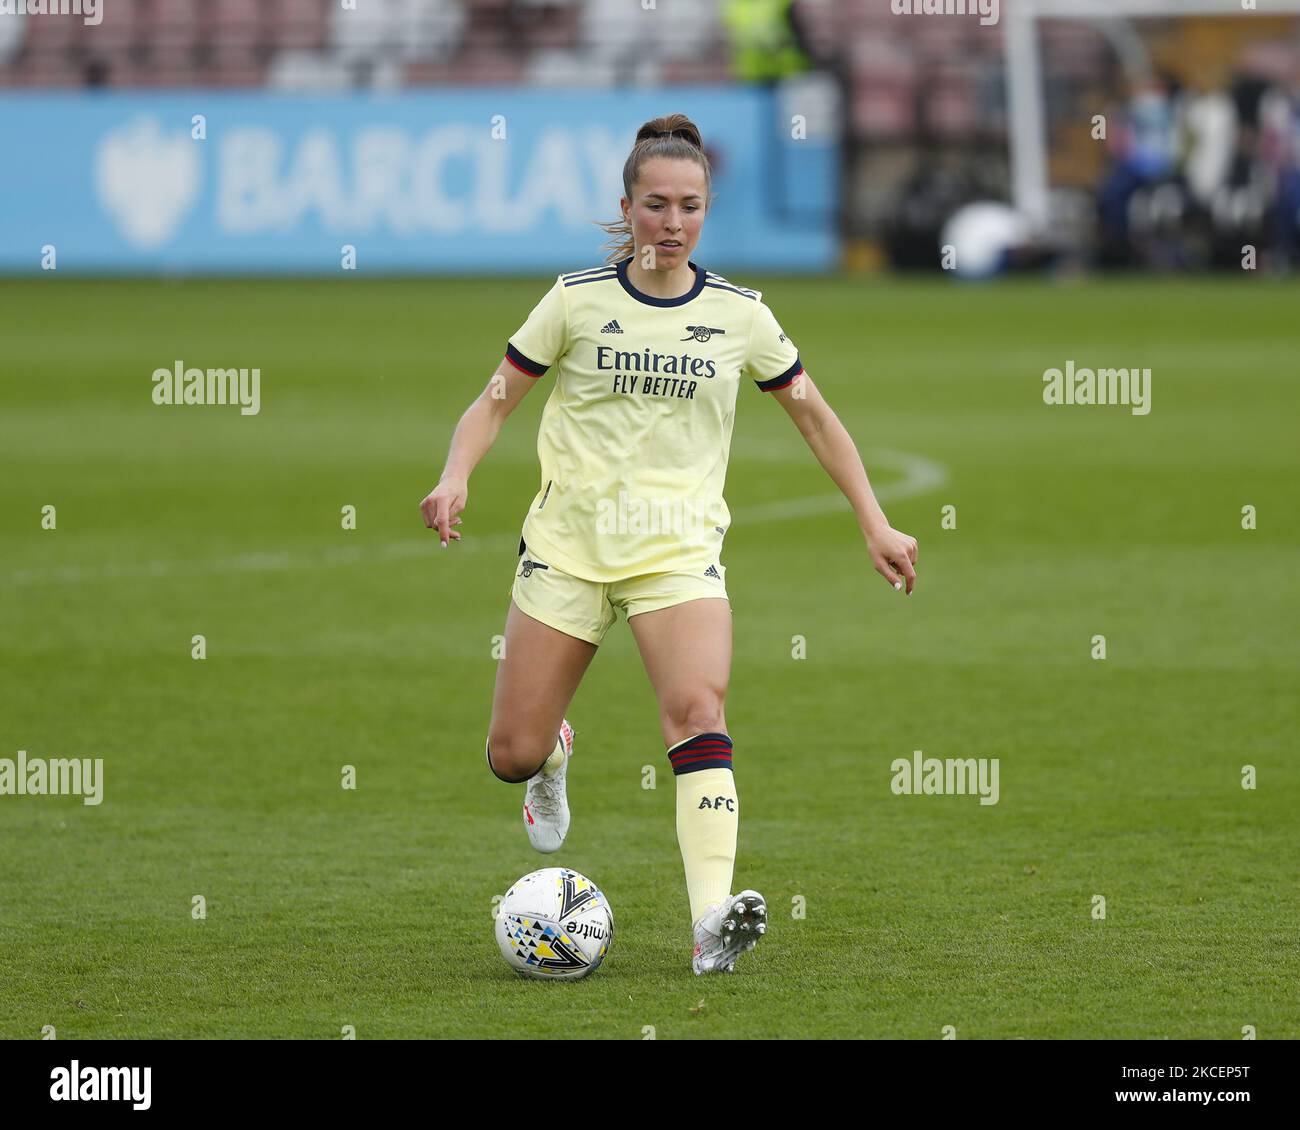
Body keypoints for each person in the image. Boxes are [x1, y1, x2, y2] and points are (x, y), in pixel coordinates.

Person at [420, 113, 918, 976]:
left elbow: (814, 415)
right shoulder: (575, 301)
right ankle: (555, 755)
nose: (673, 222)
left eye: (690, 206)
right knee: (512, 753)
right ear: (628, 206)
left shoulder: (739, 316)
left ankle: (710, 923)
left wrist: (874, 518)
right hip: (567, 552)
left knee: (698, 716)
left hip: (677, 555)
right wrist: (456, 474)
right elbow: (495, 399)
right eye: (656, 205)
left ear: (706, 212)